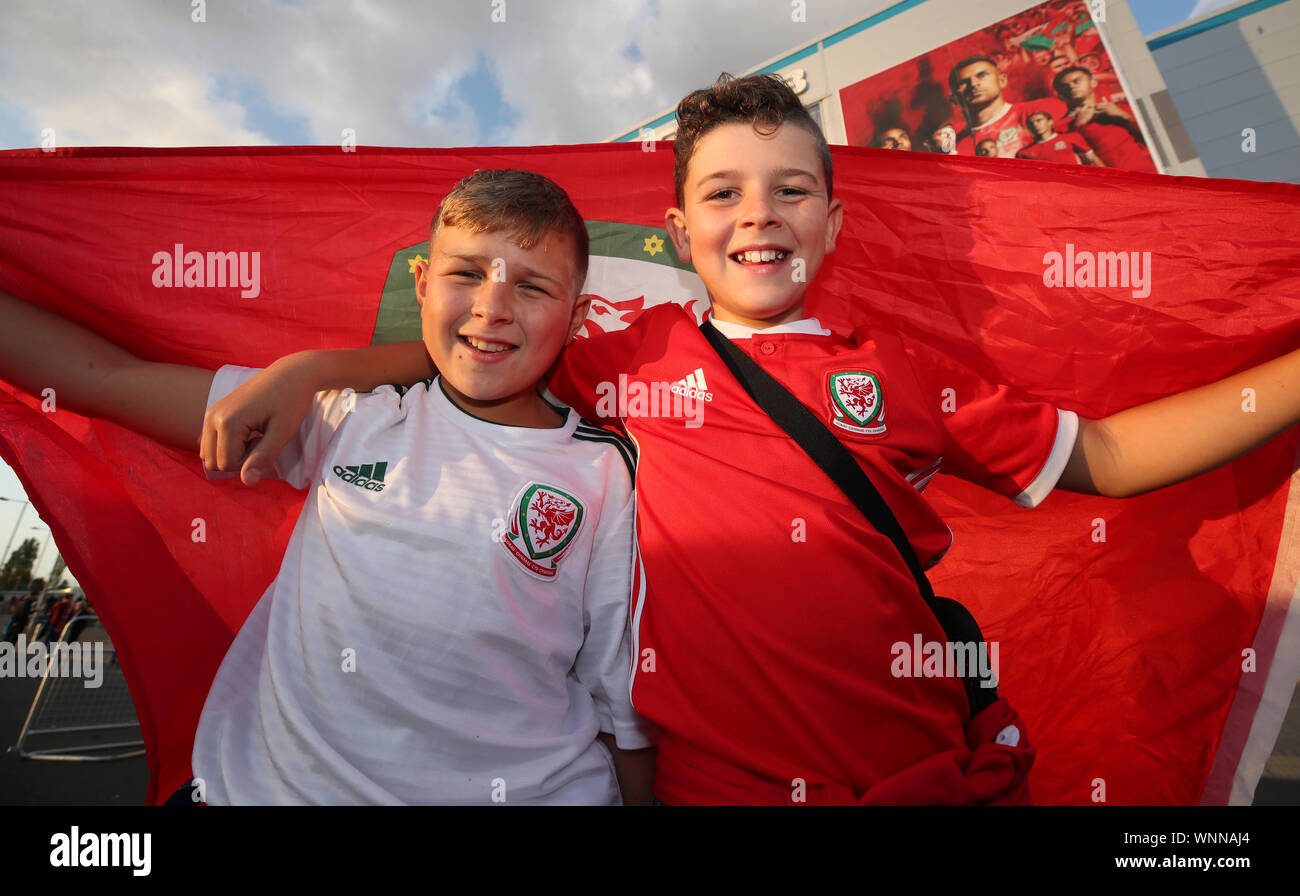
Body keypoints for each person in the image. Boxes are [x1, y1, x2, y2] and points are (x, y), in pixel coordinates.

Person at [200, 73, 1300, 805]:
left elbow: (1104, 455)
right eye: (723, 192)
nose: (758, 214)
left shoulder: (902, 374)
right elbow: (472, 355)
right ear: (682, 232)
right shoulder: (629, 353)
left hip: (923, 767)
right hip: (722, 783)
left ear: (833, 219)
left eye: (790, 190)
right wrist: (312, 371)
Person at [0, 168, 655, 805]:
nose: (493, 307)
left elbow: (620, 705)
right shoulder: (346, 416)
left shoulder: (604, 474)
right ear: (422, 285)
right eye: (466, 274)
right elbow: (102, 380)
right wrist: (311, 371)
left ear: (577, 319)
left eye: (533, 287)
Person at [948, 54, 1068, 158]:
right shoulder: (958, 148)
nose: (973, 84)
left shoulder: (1045, 109)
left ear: (1002, 80)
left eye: (982, 75)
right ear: (954, 99)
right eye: (962, 82)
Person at [1053, 66, 1157, 173]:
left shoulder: (1123, 110)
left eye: (1077, 81)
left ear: (1093, 83)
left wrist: (1126, 117)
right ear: (1060, 96)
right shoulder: (1060, 128)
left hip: (1149, 173)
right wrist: (1077, 128)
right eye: (1065, 86)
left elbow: (1157, 140)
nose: (1071, 86)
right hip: (1112, 183)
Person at [1016, 110, 1102, 165]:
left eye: (1039, 120)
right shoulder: (1024, 153)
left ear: (1050, 122)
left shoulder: (1071, 138)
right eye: (1031, 124)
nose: (1035, 125)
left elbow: (1093, 160)